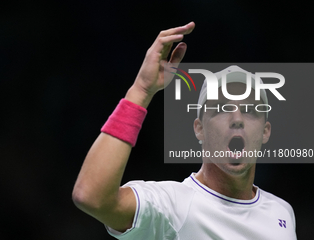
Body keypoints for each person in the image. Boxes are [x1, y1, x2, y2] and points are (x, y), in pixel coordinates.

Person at [72, 22, 297, 239]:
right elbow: (91, 196)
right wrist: (141, 90)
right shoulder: (172, 206)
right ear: (199, 130)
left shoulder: (281, 212)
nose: (237, 119)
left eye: (250, 111)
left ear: (265, 132)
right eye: (221, 109)